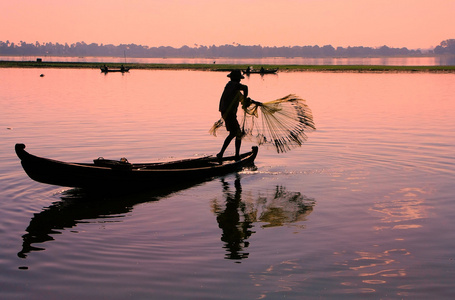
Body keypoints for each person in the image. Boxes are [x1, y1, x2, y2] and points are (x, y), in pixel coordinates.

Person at [217, 70, 249, 162]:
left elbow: (241, 98)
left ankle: (226, 154)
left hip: (228, 113)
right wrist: (246, 98)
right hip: (228, 113)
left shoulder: (233, 88)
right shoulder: (232, 85)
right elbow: (245, 88)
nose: (239, 80)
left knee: (235, 133)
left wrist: (247, 101)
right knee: (236, 133)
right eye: (239, 79)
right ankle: (232, 155)